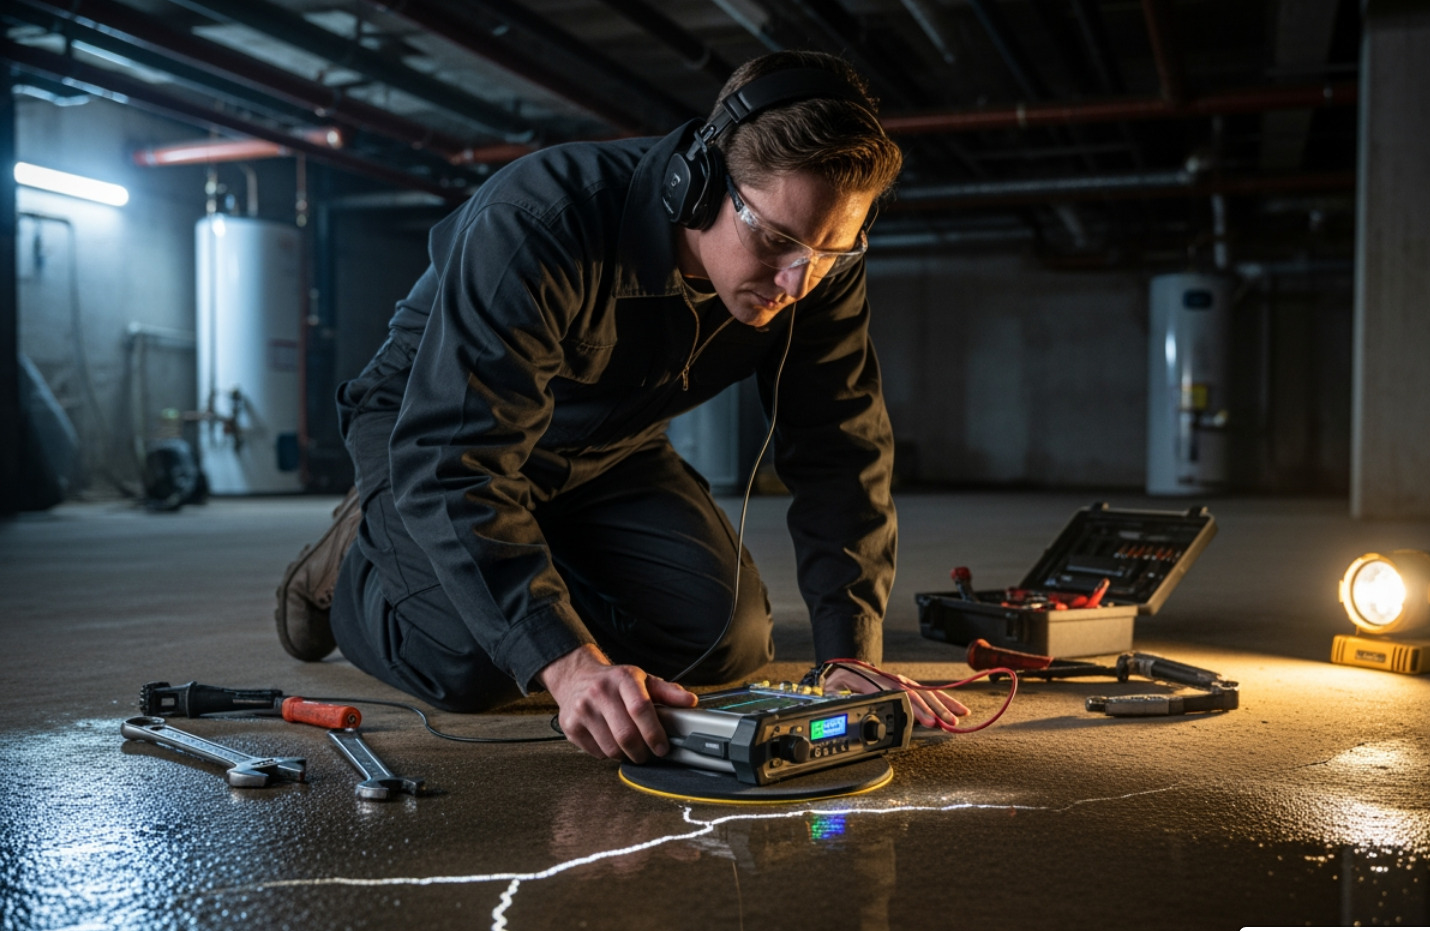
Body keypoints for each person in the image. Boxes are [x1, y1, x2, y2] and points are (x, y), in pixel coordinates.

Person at [275, 50, 968, 761]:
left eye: (832, 252)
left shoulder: (814, 267)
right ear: (700, 185)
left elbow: (840, 448)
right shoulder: (540, 219)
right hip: (427, 434)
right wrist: (565, 660)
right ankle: (352, 574)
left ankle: (515, 563)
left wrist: (848, 651)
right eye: (776, 240)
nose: (799, 280)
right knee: (476, 659)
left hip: (608, 448)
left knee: (726, 640)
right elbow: (453, 458)